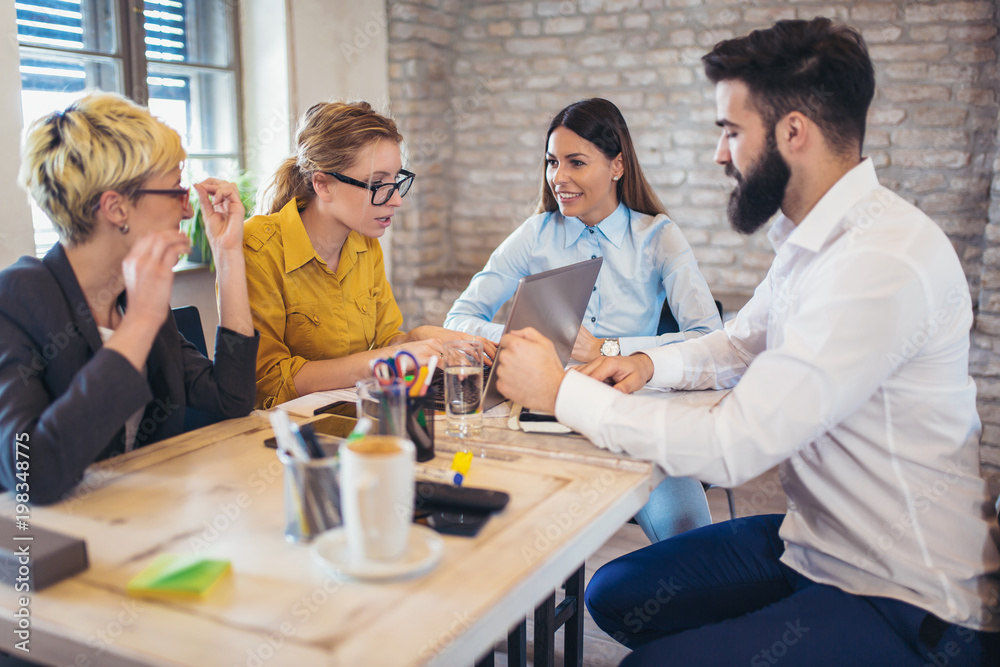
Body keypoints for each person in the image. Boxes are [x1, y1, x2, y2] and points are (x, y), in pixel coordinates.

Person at [495, 18, 1000, 666]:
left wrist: (559, 390)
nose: (719, 154)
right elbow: (739, 343)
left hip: (904, 596)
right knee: (616, 591)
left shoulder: (879, 262)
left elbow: (731, 448)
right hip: (813, 543)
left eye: (731, 132)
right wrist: (644, 362)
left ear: (794, 132)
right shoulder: (810, 239)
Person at [446, 98, 723, 542]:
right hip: (542, 413)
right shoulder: (534, 234)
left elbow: (709, 339)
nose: (559, 178)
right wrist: (528, 337)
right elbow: (460, 318)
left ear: (617, 166)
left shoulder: (658, 237)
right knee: (482, 519)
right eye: (552, 162)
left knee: (689, 542)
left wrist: (606, 351)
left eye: (576, 162)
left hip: (634, 415)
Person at [0, 92, 259, 505]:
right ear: (116, 208)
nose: (189, 210)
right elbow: (33, 474)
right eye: (175, 190)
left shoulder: (130, 294)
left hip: (136, 523)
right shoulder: (16, 299)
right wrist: (138, 324)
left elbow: (231, 398)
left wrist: (227, 253)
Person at [244, 101, 493, 409]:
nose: (397, 200)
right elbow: (268, 382)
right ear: (322, 184)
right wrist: (385, 359)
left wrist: (426, 337)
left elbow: (387, 340)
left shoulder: (364, 241)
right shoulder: (257, 247)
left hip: (349, 416)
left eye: (396, 181)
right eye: (377, 184)